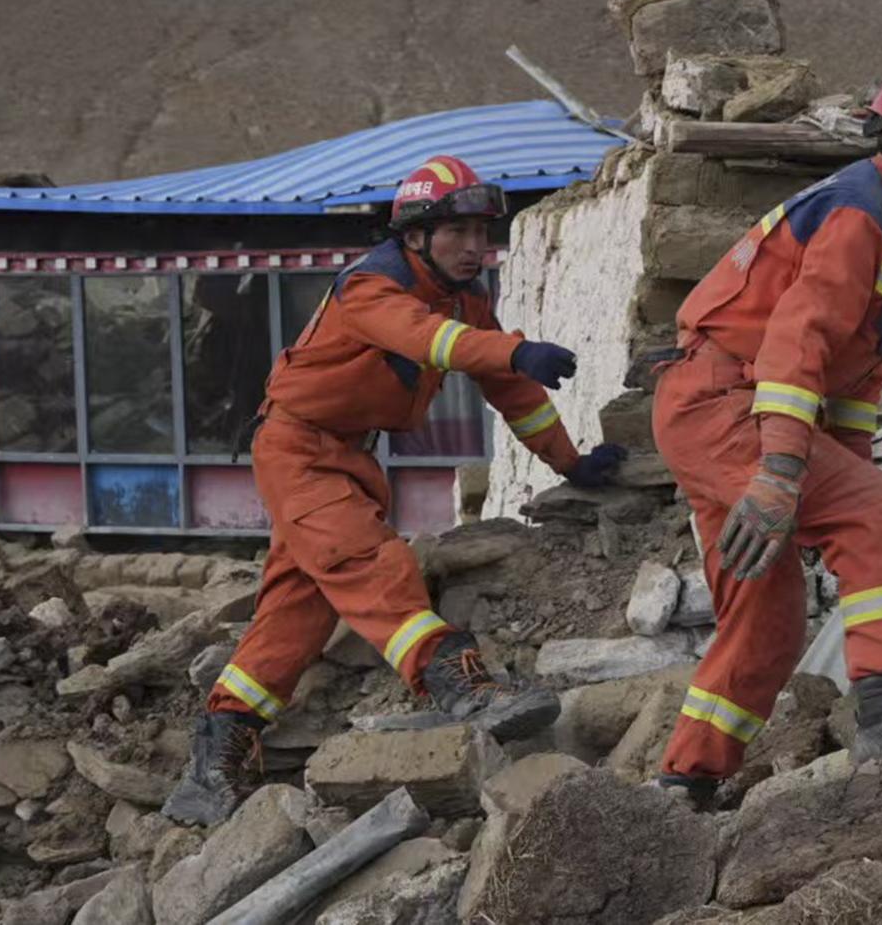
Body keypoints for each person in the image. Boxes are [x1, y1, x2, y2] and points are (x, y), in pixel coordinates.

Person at [163, 156, 626, 825]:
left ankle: (215, 758)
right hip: (298, 448)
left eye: (481, 231)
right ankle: (459, 684)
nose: (475, 247)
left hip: (346, 455)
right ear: (414, 235)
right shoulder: (373, 287)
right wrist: (512, 348)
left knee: (297, 608)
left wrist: (570, 462)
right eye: (457, 231)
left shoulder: (463, 302)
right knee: (369, 561)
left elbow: (514, 394)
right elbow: (430, 340)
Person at [651, 54, 882, 807]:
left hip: (721, 406)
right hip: (728, 403)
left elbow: (852, 379)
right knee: (881, 510)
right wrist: (786, 476)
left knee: (770, 623)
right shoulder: (862, 212)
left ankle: (682, 783)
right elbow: (797, 343)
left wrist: (831, 480)